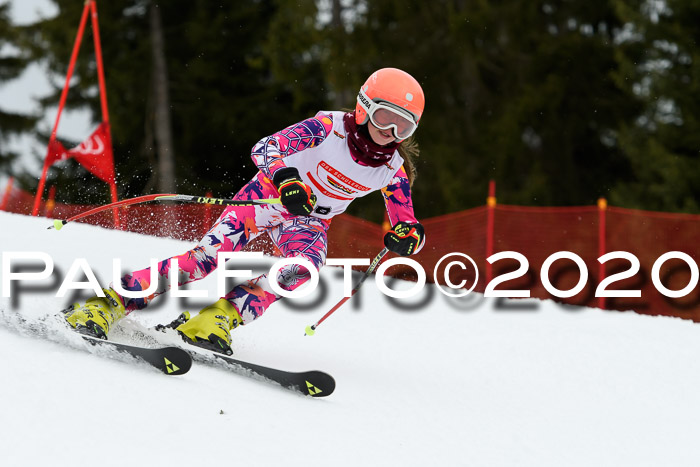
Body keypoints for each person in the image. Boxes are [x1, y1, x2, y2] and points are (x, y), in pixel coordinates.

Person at [64, 67, 427, 354]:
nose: (390, 131)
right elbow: (266, 148)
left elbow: (404, 221)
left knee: (302, 270)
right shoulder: (329, 128)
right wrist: (288, 181)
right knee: (205, 260)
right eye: (384, 117)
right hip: (266, 199)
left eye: (404, 125)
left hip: (309, 221)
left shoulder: (391, 168)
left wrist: (409, 238)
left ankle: (213, 321)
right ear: (364, 107)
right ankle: (107, 303)